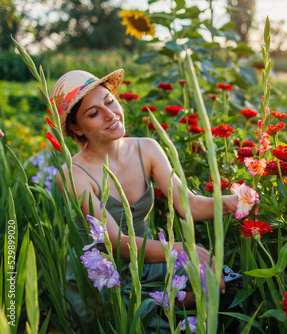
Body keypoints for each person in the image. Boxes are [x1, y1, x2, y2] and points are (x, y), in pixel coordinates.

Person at [50, 69, 238, 330]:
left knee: (224, 285)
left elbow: (189, 205)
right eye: (93, 114)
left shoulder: (146, 148)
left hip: (151, 265)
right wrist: (185, 252)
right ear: (75, 127)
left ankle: (169, 306)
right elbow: (117, 244)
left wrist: (230, 203)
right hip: (105, 279)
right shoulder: (73, 174)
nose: (110, 114)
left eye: (109, 101)